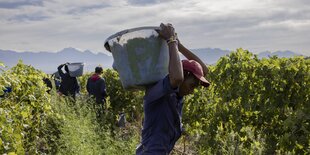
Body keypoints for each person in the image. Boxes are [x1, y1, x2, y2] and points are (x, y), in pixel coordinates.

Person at [136, 23, 210, 154]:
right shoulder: (160, 92)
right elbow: (176, 78)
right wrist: (171, 41)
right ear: (184, 75)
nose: (192, 91)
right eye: (192, 85)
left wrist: (179, 45)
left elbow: (204, 70)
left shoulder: (178, 97)